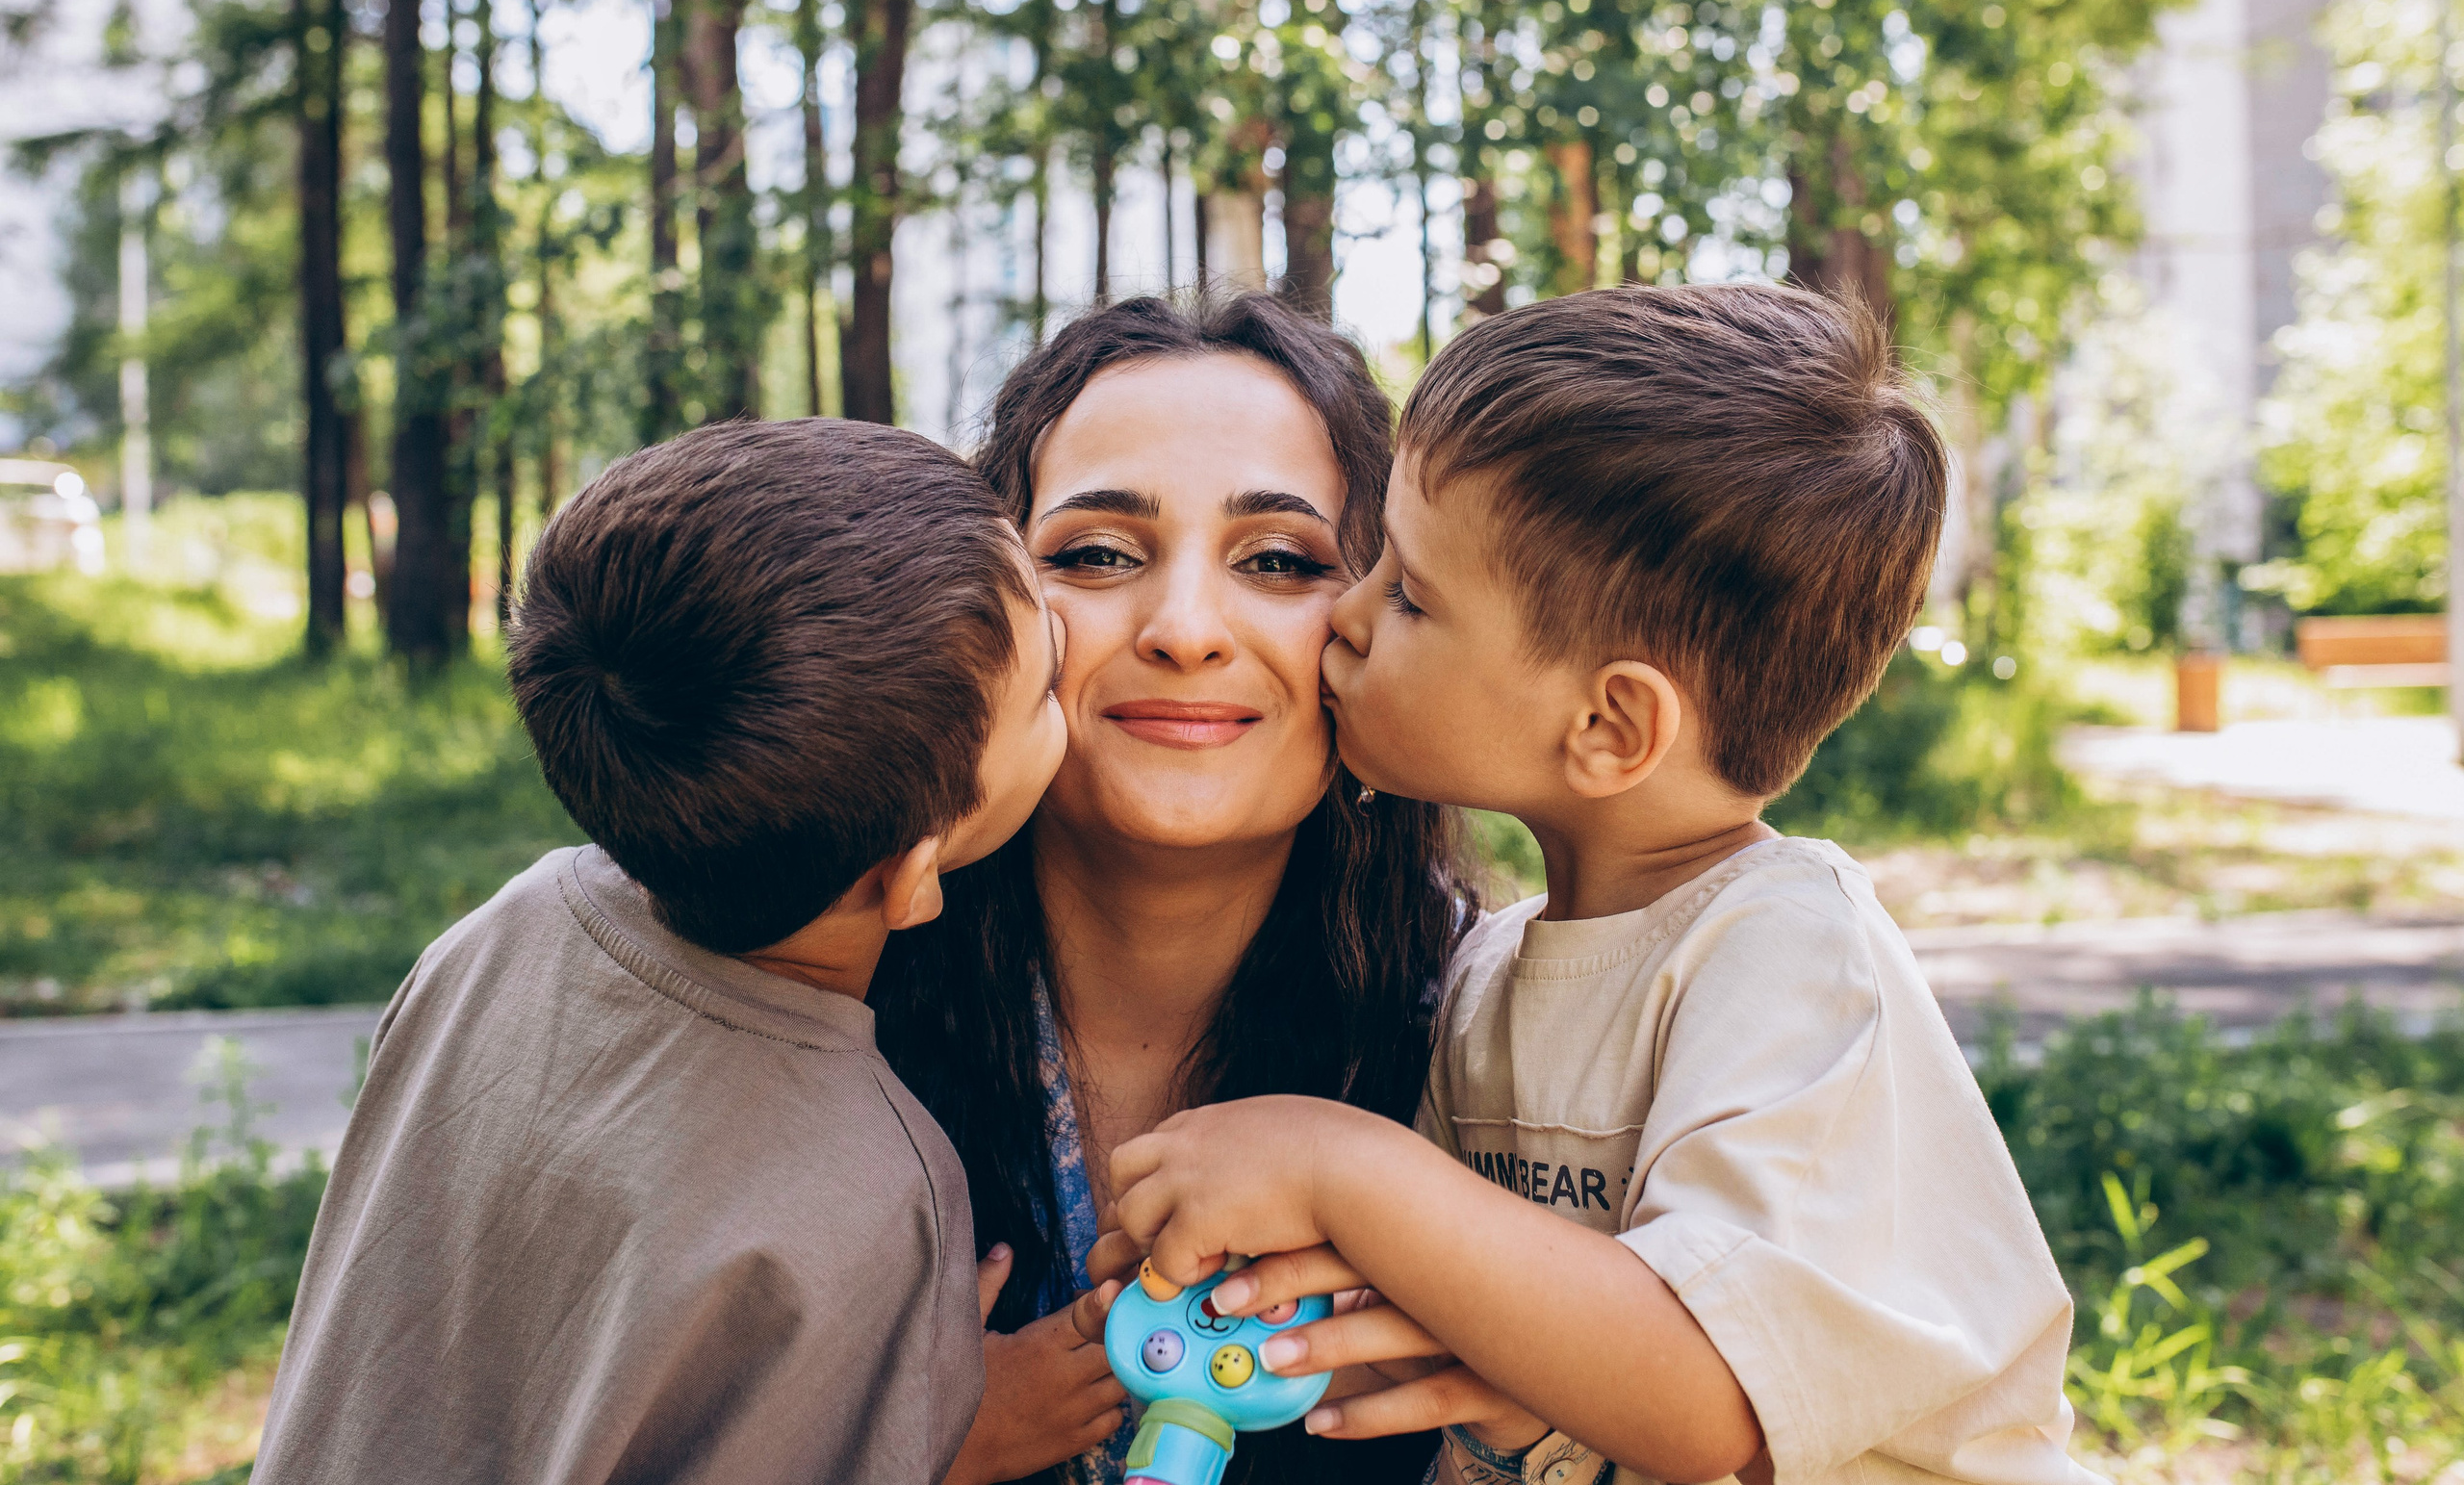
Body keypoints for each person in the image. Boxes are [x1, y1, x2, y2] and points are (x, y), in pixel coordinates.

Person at [1097, 284, 2098, 1485]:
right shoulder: (1490, 976)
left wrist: (1334, 1165)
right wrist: (1262, 1299)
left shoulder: (1785, 954)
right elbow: (1480, 1313)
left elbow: (1704, 1394)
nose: (1345, 619)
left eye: (1409, 593)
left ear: (1611, 723)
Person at [253, 420, 1067, 1485]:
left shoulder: (508, 929)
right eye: (1045, 686)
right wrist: (937, 1431)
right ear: (912, 874)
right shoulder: (873, 1180)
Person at [870, 291, 1478, 1485]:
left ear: (1381, 619)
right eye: (1096, 554)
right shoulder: (792, 998)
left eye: (1278, 560)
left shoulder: (1509, 1051)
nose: (1187, 628)